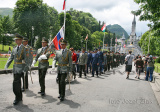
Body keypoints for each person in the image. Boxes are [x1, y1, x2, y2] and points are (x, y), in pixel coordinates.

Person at [5, 33, 29, 105]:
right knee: (18, 83)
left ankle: (16, 97)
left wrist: (25, 69)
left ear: (21, 40)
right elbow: (11, 58)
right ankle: (20, 97)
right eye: (15, 40)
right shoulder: (14, 48)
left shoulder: (25, 49)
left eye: (17, 40)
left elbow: (27, 60)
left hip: (21, 68)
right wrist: (6, 65)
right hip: (15, 68)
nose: (16, 41)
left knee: (15, 83)